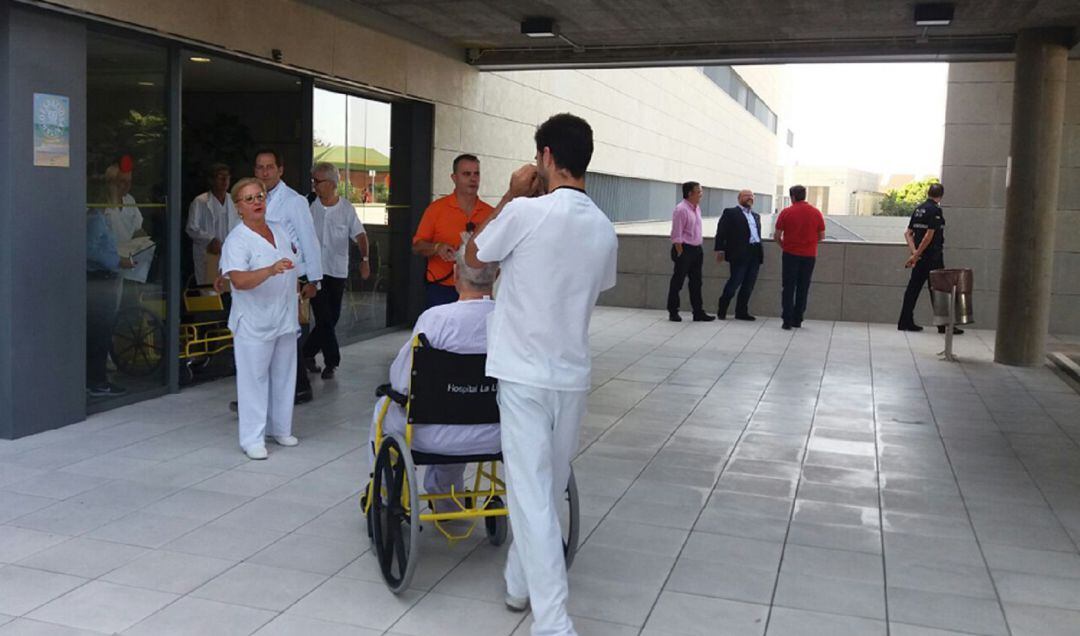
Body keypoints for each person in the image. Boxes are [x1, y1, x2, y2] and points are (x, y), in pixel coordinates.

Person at [466, 113, 618, 636]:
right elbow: (596, 287)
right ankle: (517, 584)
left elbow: (473, 256)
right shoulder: (602, 226)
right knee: (545, 489)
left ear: (547, 157)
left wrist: (510, 195)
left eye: (537, 157)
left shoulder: (526, 213)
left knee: (531, 494)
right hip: (571, 372)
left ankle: (553, 622)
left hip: (523, 372)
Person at [369, 241, 499, 506]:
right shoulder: (511, 319)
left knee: (387, 406)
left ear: (454, 275)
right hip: (496, 433)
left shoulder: (436, 319)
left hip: (431, 436)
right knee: (460, 404)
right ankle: (447, 498)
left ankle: (383, 494)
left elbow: (403, 381)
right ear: (497, 276)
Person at [219, 178, 301, 460]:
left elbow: (293, 265)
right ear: (239, 207)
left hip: (284, 317)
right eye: (249, 199)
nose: (257, 202)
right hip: (253, 321)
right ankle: (252, 438)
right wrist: (269, 270)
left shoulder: (278, 229)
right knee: (254, 380)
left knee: (284, 375)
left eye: (260, 196)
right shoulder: (237, 239)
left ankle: (280, 428)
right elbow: (238, 280)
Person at [253, 148, 324, 403]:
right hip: (262, 278)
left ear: (280, 170)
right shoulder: (253, 199)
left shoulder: (294, 201)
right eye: (260, 167)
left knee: (285, 334)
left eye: (270, 167)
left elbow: (309, 240)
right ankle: (291, 388)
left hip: (289, 277)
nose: (265, 172)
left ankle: (293, 388)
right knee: (271, 334)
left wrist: (313, 279)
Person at [304, 162, 370, 379]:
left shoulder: (346, 209)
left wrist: (365, 259)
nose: (314, 185)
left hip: (337, 270)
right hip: (314, 272)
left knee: (332, 317)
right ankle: (332, 362)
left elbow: (360, 235)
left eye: (318, 181)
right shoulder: (307, 205)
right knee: (323, 316)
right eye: (313, 180)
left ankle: (306, 352)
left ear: (332, 184)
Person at [412, 154, 495, 308]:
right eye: (466, 174)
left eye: (476, 174)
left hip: (478, 290)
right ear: (454, 177)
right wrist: (437, 248)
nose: (473, 179)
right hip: (442, 289)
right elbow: (417, 246)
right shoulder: (436, 209)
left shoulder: (490, 213)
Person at [898, 182, 961, 334]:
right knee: (939, 291)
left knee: (913, 289)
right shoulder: (935, 211)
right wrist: (917, 254)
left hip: (920, 258)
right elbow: (929, 236)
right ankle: (943, 325)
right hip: (932, 257)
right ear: (941, 196)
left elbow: (908, 233)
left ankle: (905, 321)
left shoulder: (919, 209)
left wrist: (914, 254)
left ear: (928, 193)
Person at [86, 207, 136, 397]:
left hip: (104, 279)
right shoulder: (95, 219)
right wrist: (117, 260)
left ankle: (96, 379)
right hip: (98, 279)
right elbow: (90, 250)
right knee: (99, 332)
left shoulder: (102, 218)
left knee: (101, 331)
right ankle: (96, 381)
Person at [775, 185, 826, 330]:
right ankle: (798, 319)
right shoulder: (816, 213)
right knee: (803, 287)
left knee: (788, 287)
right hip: (809, 255)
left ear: (792, 197)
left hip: (790, 254)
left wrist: (785, 246)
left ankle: (787, 320)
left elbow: (777, 235)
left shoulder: (786, 212)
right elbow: (822, 236)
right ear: (804, 195)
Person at [667, 181, 714, 322]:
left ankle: (698, 312)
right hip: (684, 249)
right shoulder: (681, 209)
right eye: (698, 191)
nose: (701, 194)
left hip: (696, 249)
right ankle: (673, 311)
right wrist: (680, 252)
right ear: (690, 193)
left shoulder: (696, 208)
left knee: (696, 282)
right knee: (678, 282)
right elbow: (676, 234)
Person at [714, 189, 763, 320]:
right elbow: (721, 232)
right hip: (739, 253)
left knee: (748, 285)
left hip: (755, 252)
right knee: (734, 282)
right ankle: (722, 309)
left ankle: (741, 312)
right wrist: (720, 249)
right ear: (739, 198)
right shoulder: (730, 213)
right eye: (746, 196)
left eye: (752, 196)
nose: (750, 198)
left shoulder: (756, 215)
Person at [186, 163, 238, 285]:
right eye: (220, 177)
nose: (225, 180)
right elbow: (191, 228)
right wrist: (210, 240)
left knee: (230, 290)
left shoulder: (234, 201)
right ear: (211, 180)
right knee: (209, 290)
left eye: (227, 177)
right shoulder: (200, 201)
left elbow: (240, 227)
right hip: (208, 253)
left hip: (229, 253)